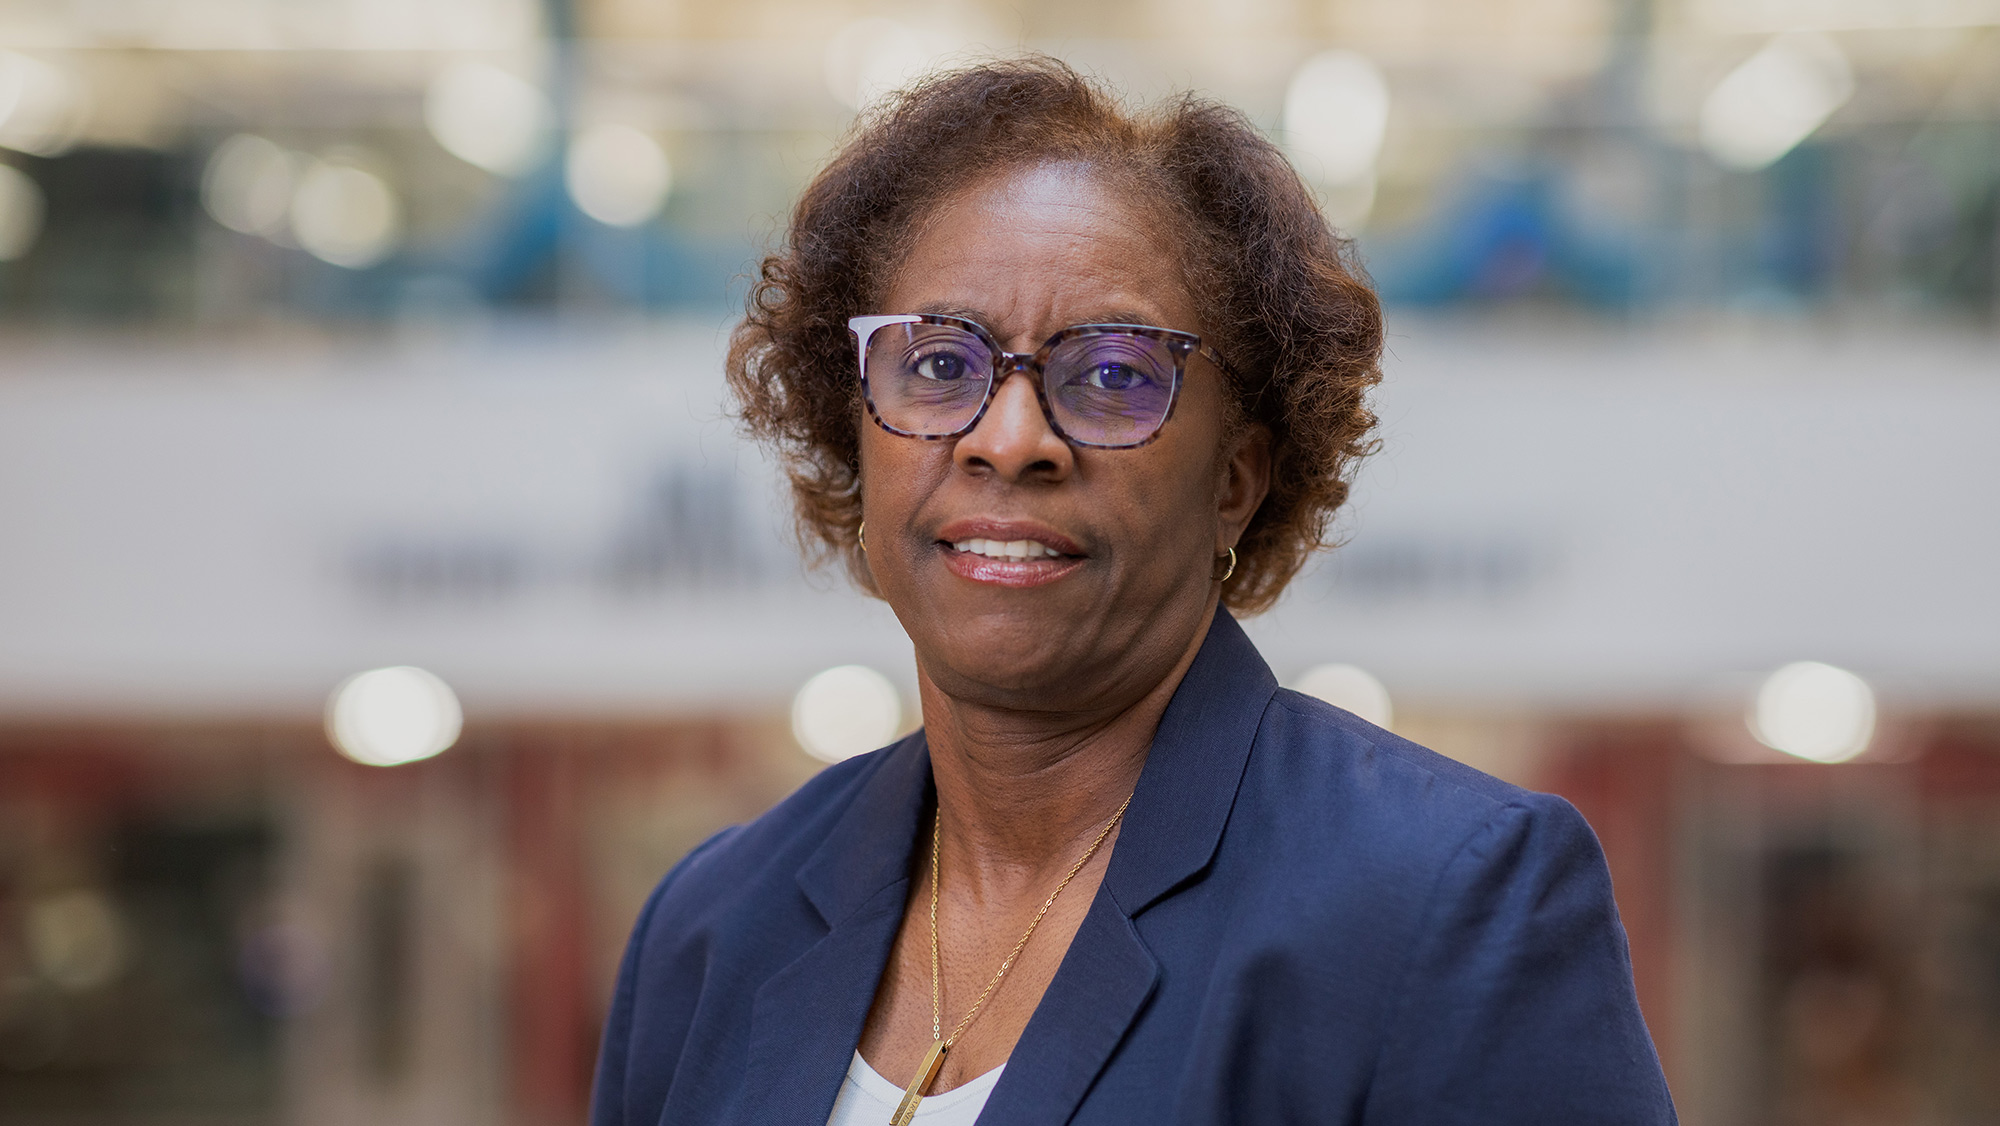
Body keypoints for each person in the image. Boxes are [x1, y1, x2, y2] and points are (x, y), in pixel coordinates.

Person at [590, 58, 1675, 1126]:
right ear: (852, 430)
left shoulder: (1447, 901)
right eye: (936, 365)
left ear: (1236, 480)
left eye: (1111, 374)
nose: (1008, 440)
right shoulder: (712, 927)